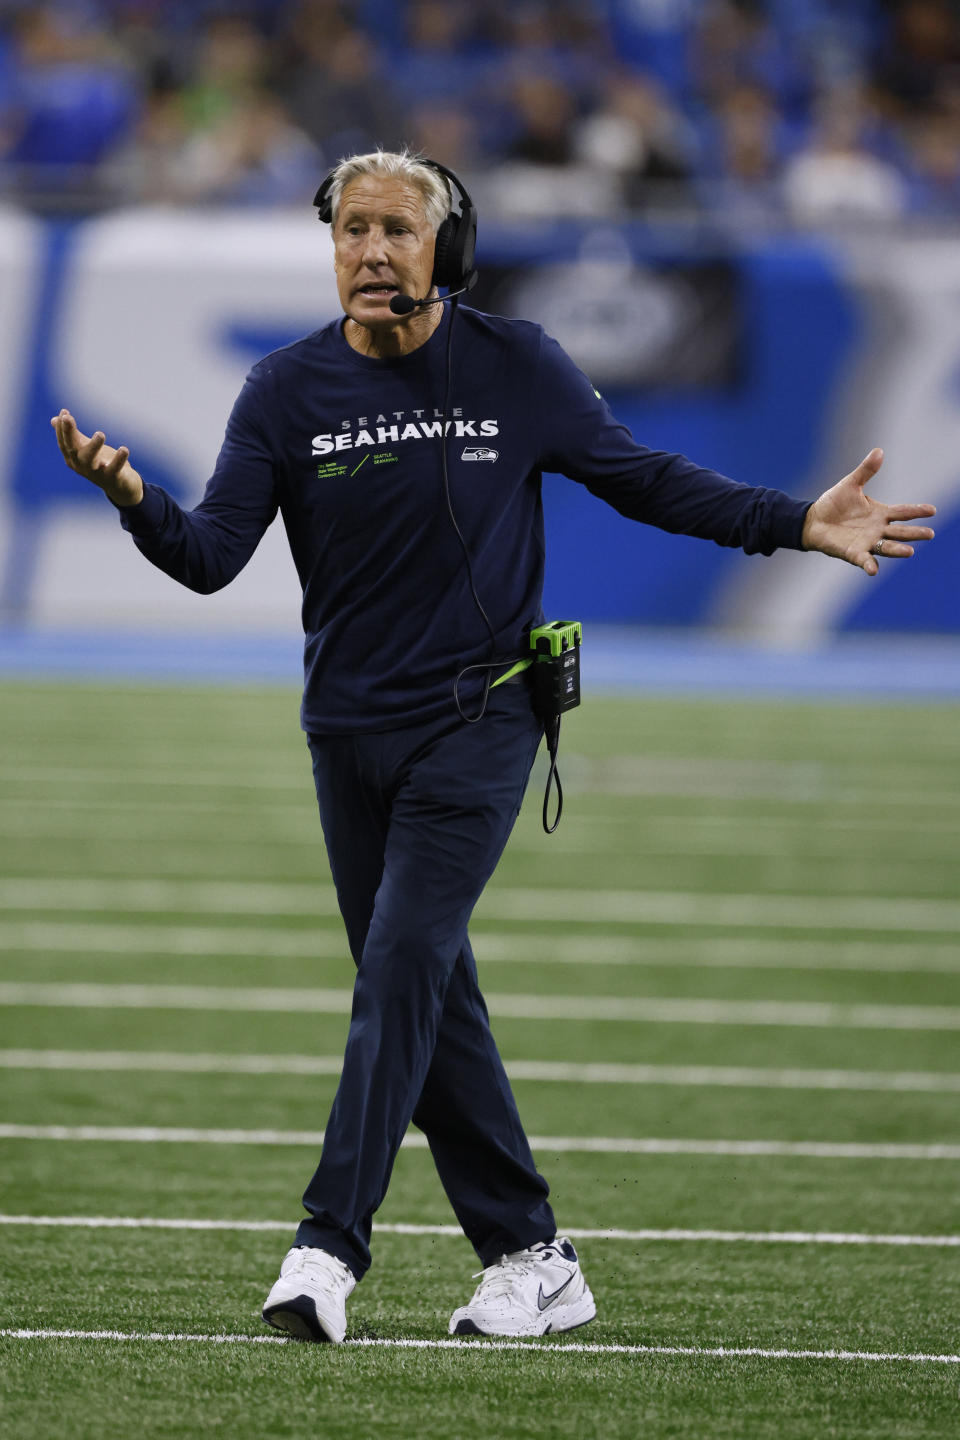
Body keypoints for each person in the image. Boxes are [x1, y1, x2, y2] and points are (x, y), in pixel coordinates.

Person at [51, 148, 936, 1345]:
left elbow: (646, 480)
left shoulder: (517, 365)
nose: (370, 253)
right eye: (351, 231)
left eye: (396, 232)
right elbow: (212, 558)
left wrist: (794, 521)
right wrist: (133, 501)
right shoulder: (284, 390)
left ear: (444, 249)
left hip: (481, 722)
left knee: (400, 973)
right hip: (344, 735)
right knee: (435, 996)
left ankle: (327, 1249)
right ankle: (533, 1256)